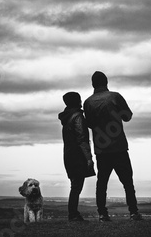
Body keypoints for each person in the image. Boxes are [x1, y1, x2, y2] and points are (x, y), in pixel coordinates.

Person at [84, 71, 142, 221]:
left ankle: (102, 214)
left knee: (102, 183)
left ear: (92, 84)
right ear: (106, 82)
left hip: (101, 149)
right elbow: (127, 117)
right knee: (128, 182)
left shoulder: (88, 102)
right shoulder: (115, 97)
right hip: (119, 147)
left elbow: (89, 124)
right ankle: (133, 212)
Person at [58, 91, 96, 222]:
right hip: (78, 155)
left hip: (68, 155)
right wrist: (89, 158)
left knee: (75, 185)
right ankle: (73, 214)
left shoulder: (66, 118)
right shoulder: (78, 116)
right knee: (76, 186)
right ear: (77, 101)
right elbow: (82, 139)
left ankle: (73, 213)